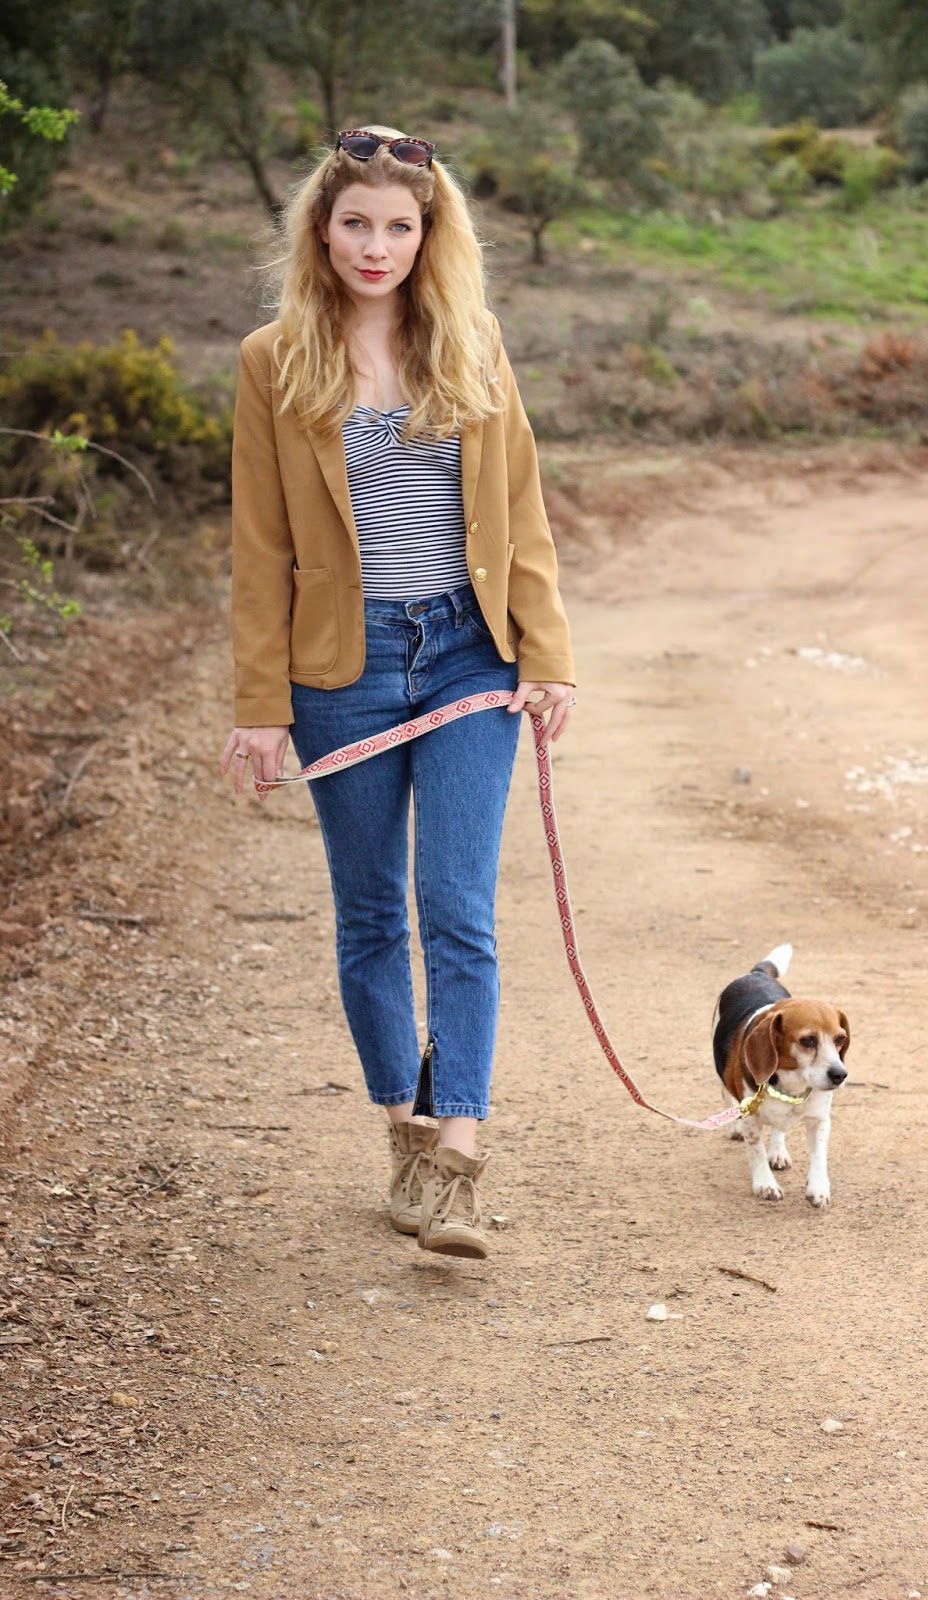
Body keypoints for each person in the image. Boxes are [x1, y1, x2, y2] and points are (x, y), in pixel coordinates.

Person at [219, 126, 575, 1260]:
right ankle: (405, 1131)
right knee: (372, 910)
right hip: (345, 666)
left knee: (455, 906)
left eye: (400, 225)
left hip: (468, 654)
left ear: (430, 238)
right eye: (357, 222)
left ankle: (461, 1152)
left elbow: (519, 513)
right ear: (322, 230)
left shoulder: (471, 345)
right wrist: (258, 701)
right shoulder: (272, 361)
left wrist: (545, 652)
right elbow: (258, 544)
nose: (377, 245)